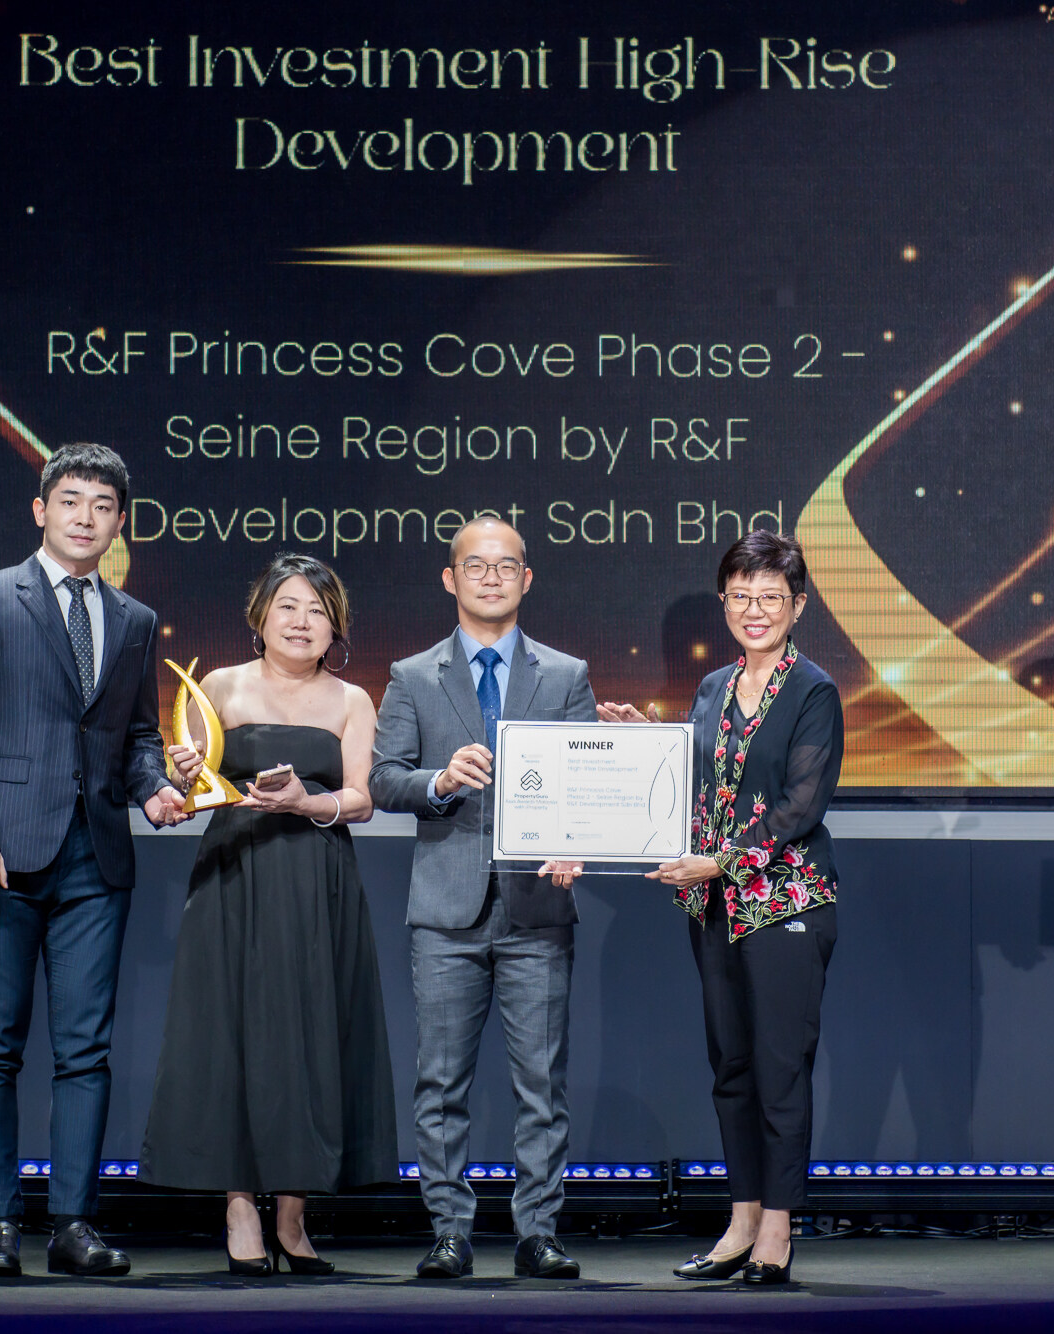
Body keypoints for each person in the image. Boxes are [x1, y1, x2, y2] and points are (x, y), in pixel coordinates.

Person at [0, 443, 193, 1280]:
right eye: (72, 501)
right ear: (40, 510)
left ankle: (74, 1224)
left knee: (85, 1052)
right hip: (2, 855)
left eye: (103, 506)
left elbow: (137, 736)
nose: (87, 518)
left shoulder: (134, 619)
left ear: (120, 524)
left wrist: (156, 791)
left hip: (96, 860)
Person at [140, 554, 396, 1274]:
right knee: (230, 1032)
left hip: (317, 875)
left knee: (312, 1034)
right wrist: (183, 775)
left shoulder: (352, 700)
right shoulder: (220, 685)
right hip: (236, 873)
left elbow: (362, 799)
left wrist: (307, 801)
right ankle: (238, 1210)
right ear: (260, 616)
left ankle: (292, 1216)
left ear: (336, 628)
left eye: (318, 611)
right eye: (289, 606)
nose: (302, 621)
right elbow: (191, 789)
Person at [605, 530, 839, 1287]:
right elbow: (700, 783)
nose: (754, 610)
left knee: (779, 1070)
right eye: (741, 596)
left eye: (770, 597)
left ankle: (777, 1230)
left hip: (784, 903)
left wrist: (723, 861)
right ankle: (740, 1222)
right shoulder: (712, 688)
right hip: (712, 906)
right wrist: (650, 748)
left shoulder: (814, 691)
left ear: (798, 605)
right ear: (724, 602)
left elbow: (800, 806)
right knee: (731, 1068)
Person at [369, 515, 596, 1281]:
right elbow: (383, 779)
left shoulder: (565, 674)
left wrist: (576, 835)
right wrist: (438, 780)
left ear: (526, 579)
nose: (491, 577)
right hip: (446, 911)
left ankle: (539, 1232)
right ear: (451, 578)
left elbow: (586, 782)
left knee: (542, 1083)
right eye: (476, 565)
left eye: (506, 566)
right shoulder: (413, 675)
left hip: (538, 907)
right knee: (440, 1082)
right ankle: (448, 1232)